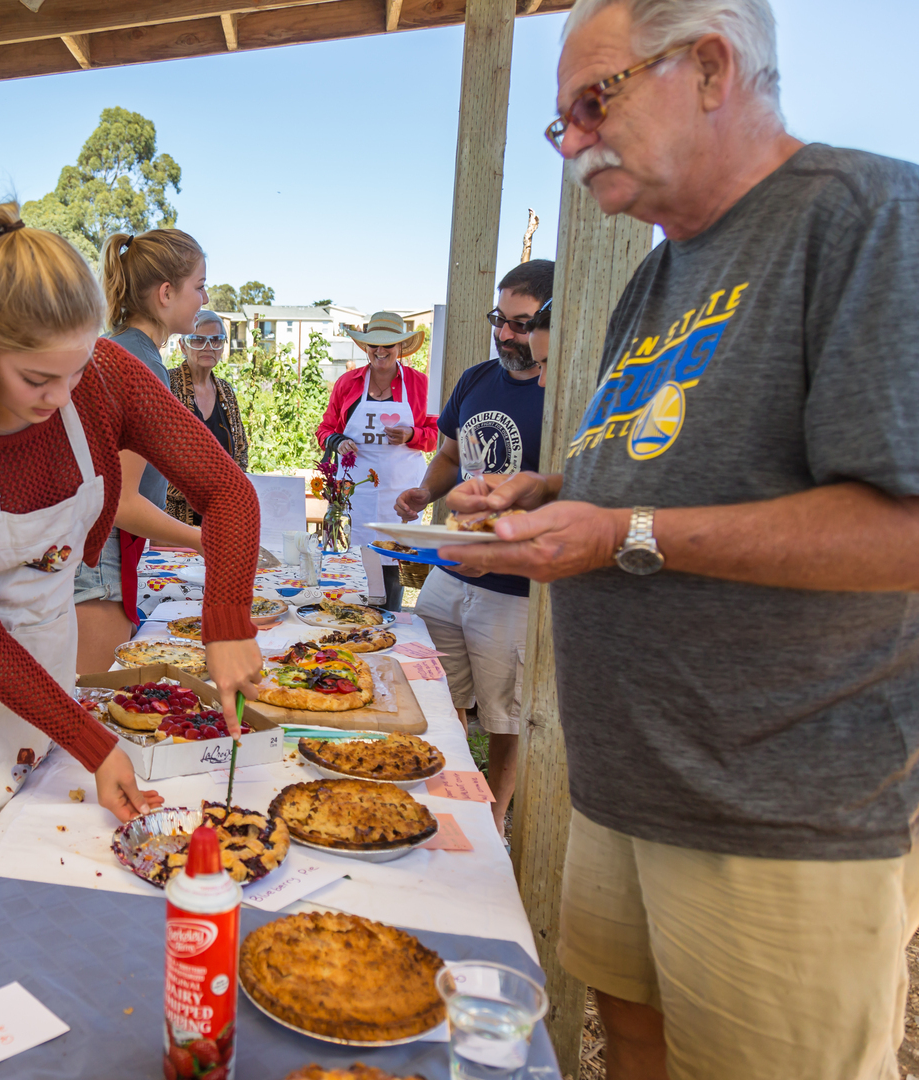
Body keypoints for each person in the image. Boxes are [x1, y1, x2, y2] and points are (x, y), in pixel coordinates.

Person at [441, 2, 919, 1078]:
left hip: (778, 802)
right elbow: (662, 454)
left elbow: (903, 525)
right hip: (630, 779)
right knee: (634, 1044)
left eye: (592, 103)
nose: (571, 144)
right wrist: (554, 484)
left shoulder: (863, 217)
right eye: (559, 123)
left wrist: (622, 533)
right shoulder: (659, 276)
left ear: (710, 67)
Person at [0, 205, 263, 871]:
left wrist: (226, 622)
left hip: (42, 652)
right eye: (36, 379)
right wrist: (95, 742)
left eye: (76, 369)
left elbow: (228, 492)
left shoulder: (109, 374)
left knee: (49, 862)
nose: (61, 396)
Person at [396, 262, 551, 838]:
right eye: (499, 320)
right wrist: (424, 491)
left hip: (514, 589)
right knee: (438, 694)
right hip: (451, 573)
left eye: (520, 324)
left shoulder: (561, 392)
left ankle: (493, 821)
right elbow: (450, 457)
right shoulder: (475, 379)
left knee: (507, 716)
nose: (506, 335)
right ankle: (450, 797)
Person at [73, 229, 213, 671]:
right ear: (167, 293)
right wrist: (204, 540)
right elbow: (119, 500)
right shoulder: (142, 365)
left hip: (89, 554)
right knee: (91, 701)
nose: (204, 297)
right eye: (199, 285)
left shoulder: (120, 349)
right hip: (99, 562)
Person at [316, 311, 438, 604]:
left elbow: (435, 435)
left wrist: (411, 435)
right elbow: (325, 429)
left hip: (402, 491)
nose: (380, 352)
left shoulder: (421, 384)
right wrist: (339, 441)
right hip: (357, 494)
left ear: (400, 348)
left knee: (394, 568)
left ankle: (391, 616)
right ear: (365, 347)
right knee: (352, 570)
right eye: (374, 346)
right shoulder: (348, 382)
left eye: (388, 346)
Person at [166, 310, 250, 526]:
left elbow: (240, 450)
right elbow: (152, 455)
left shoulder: (226, 390)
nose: (208, 347)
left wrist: (229, 491)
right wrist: (198, 492)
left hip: (220, 515)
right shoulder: (167, 383)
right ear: (183, 346)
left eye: (216, 340)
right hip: (173, 517)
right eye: (198, 340)